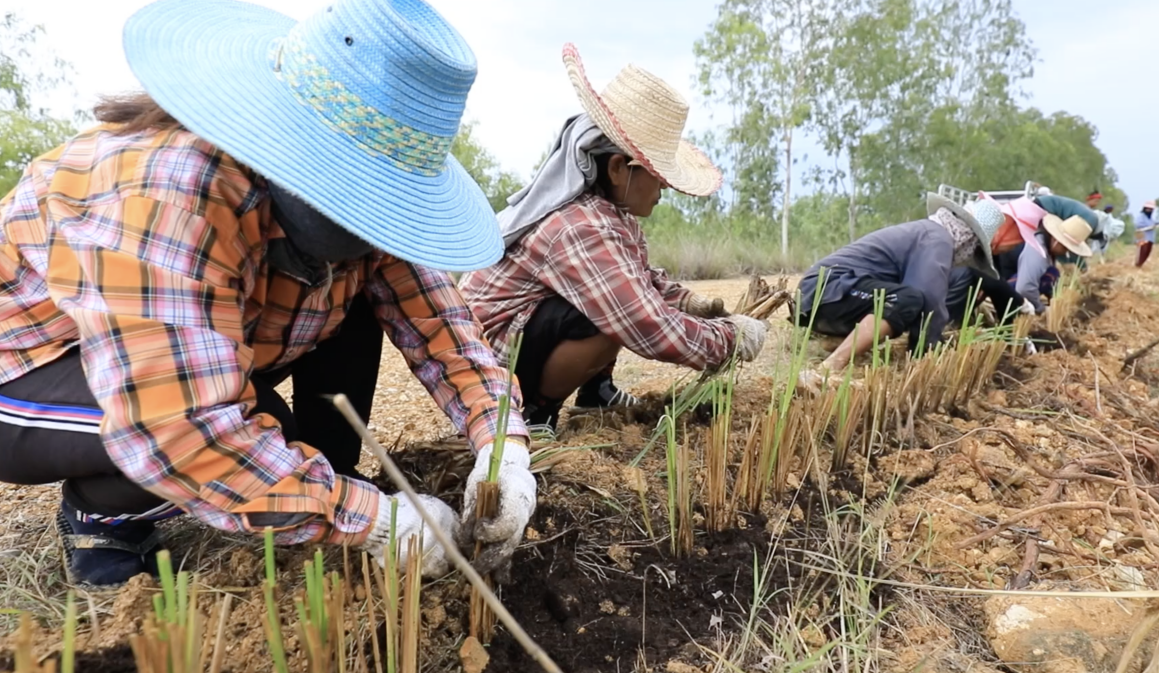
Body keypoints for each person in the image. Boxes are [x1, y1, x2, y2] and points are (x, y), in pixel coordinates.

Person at [0, 0, 536, 588]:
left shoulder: (366, 228)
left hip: (162, 352)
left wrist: (502, 446)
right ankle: (105, 514)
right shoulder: (166, 195)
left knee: (347, 305)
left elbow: (448, 339)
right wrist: (376, 521)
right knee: (234, 438)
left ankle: (312, 485)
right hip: (31, 368)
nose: (376, 228)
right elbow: (179, 426)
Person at [459, 46, 769, 437]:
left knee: (619, 294)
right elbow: (647, 325)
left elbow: (644, 278)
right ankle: (532, 410)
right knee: (611, 314)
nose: (663, 189)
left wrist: (694, 303)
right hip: (487, 368)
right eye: (658, 176)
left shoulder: (611, 214)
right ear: (620, 168)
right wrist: (730, 339)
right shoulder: (579, 226)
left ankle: (595, 391)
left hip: (517, 339)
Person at [796, 193, 1003, 381]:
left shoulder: (927, 233)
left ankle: (836, 343)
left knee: (901, 304)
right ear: (969, 238)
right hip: (827, 288)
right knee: (905, 301)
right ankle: (831, 366)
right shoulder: (936, 238)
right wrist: (928, 351)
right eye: (973, 250)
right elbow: (929, 298)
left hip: (829, 297)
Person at [1007, 215, 1094, 313]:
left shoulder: (1046, 245)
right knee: (1050, 274)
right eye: (1065, 248)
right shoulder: (1038, 253)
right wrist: (1041, 309)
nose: (1065, 252)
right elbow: (1024, 288)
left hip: (1016, 281)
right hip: (1007, 288)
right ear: (1056, 240)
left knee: (1053, 273)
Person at [1134, 200, 1159, 268]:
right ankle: (1138, 265)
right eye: (1147, 208)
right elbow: (1139, 225)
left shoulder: (1150, 218)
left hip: (1150, 238)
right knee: (1142, 252)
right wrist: (1150, 227)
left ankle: (1140, 265)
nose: (1149, 210)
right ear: (1144, 208)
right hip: (1141, 236)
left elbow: (1154, 222)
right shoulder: (1141, 216)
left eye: (1151, 209)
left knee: (1147, 252)